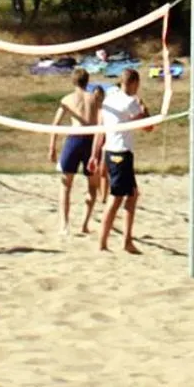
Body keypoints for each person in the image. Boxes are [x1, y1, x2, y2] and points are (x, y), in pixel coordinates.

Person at [94, 69, 151, 254]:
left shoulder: (110, 97)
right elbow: (148, 127)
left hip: (112, 151)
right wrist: (144, 109)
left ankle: (127, 240)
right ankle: (102, 243)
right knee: (116, 198)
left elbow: (102, 125)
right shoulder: (130, 102)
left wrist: (95, 154)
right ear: (134, 82)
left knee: (133, 195)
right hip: (120, 154)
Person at [48, 68, 105, 235]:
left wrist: (52, 146)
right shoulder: (94, 98)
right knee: (92, 186)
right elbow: (102, 120)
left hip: (74, 139)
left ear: (73, 81)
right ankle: (85, 224)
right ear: (87, 81)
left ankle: (64, 225)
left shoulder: (67, 99)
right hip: (91, 141)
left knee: (66, 185)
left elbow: (55, 124)